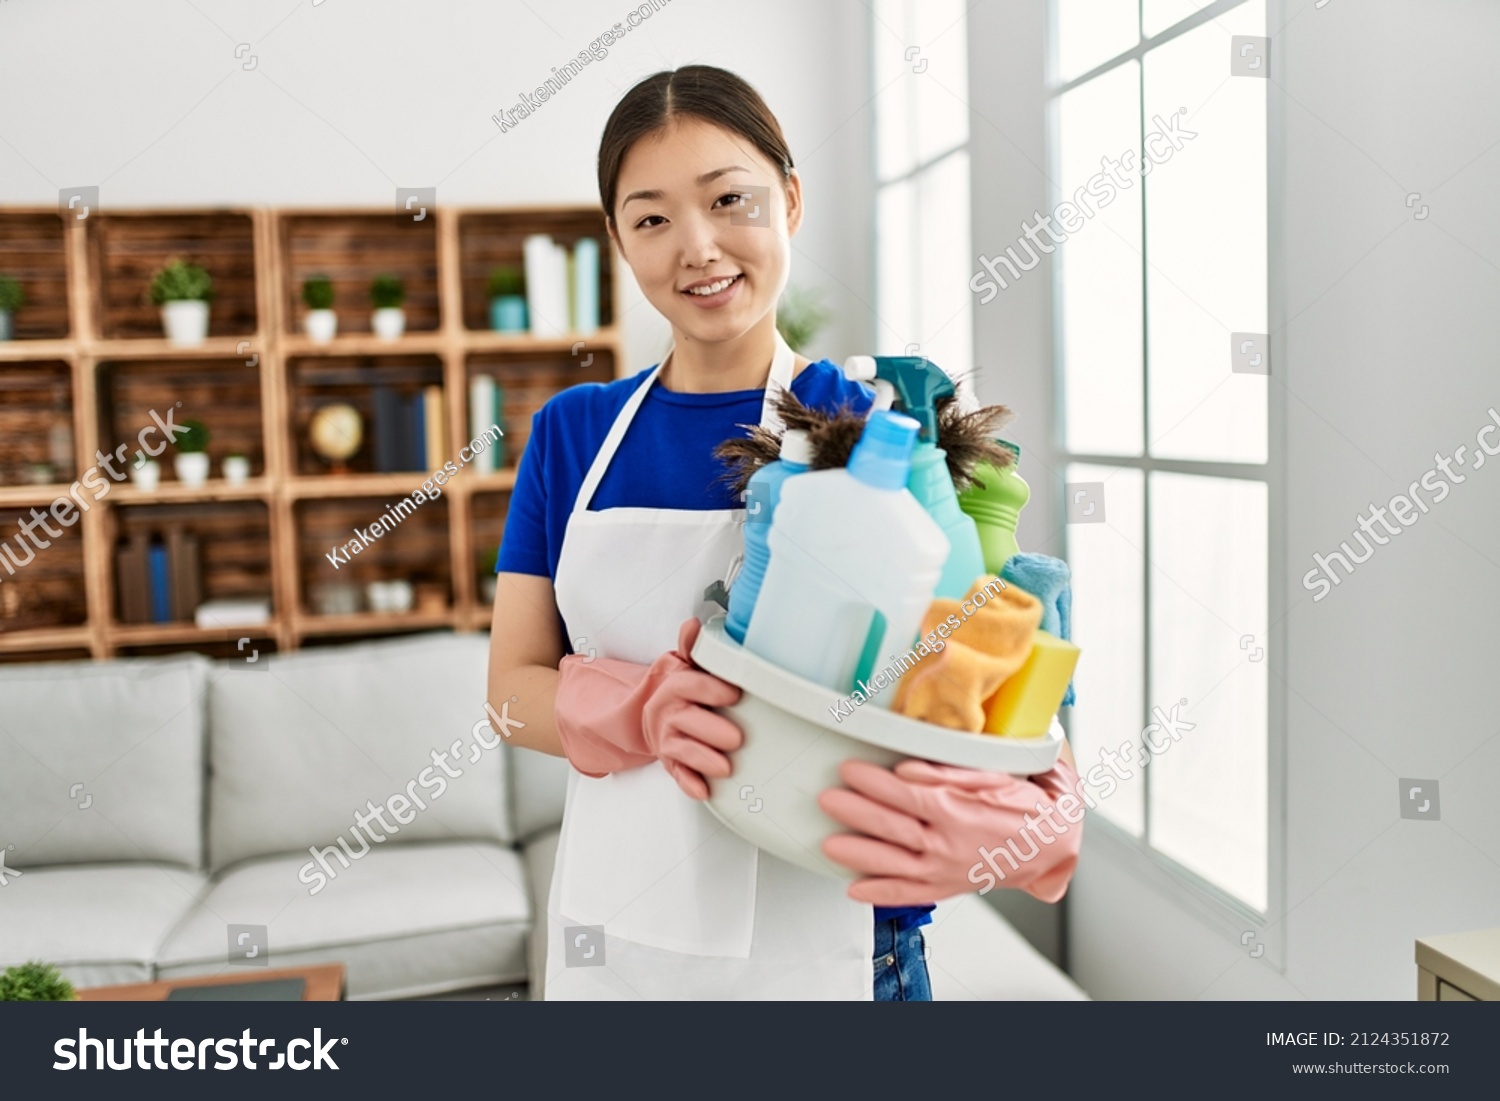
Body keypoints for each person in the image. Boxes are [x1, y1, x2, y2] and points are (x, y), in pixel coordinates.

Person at [487, 64, 1083, 1001]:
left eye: (731, 200)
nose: (698, 247)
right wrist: (638, 708)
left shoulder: (880, 419)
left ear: (791, 201)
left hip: (839, 948)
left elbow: (1007, 666)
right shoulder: (573, 432)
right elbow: (509, 693)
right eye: (650, 219)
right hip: (618, 946)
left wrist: (1045, 816)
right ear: (616, 240)